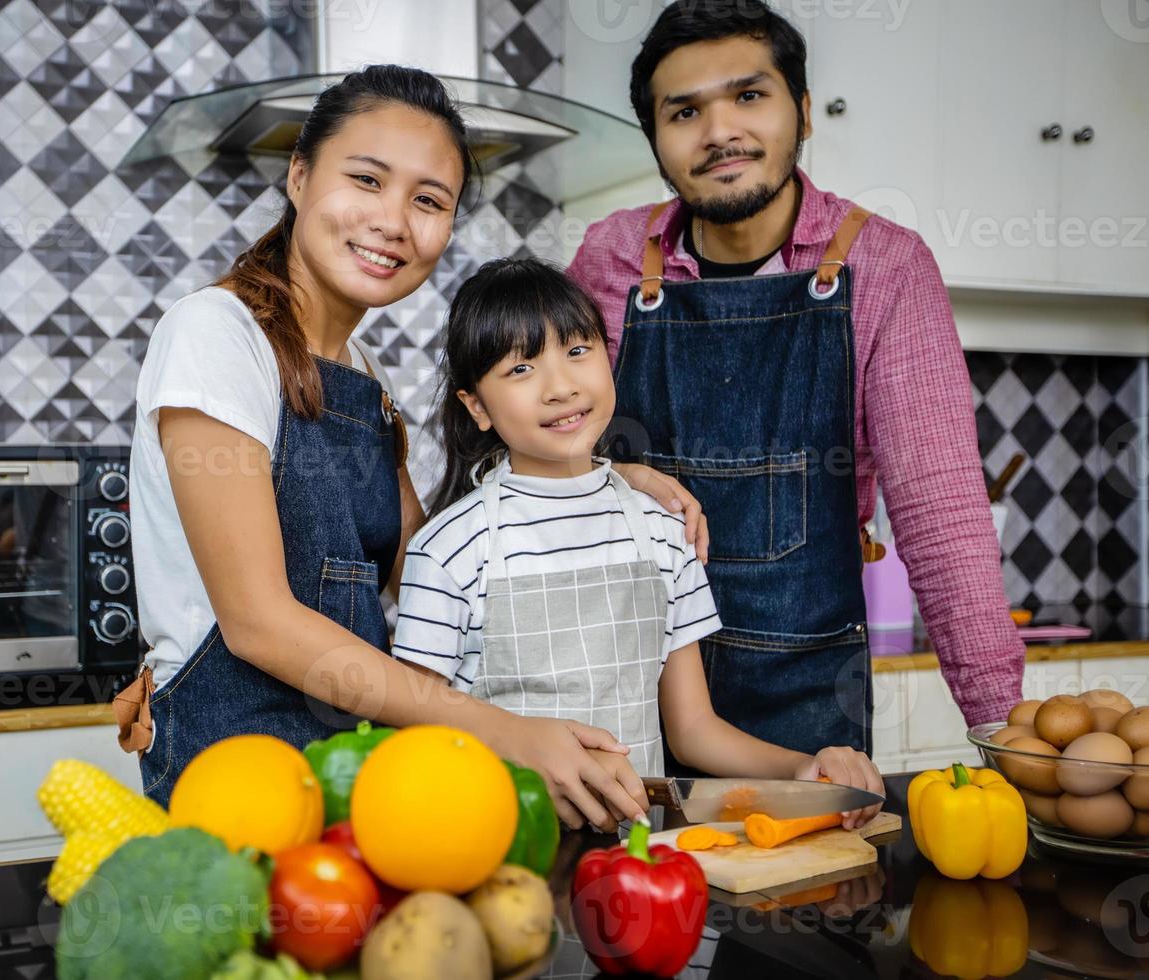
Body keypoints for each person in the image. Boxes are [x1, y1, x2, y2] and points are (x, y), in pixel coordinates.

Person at [118, 65, 706, 829]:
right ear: (299, 177)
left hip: (358, 774)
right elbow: (258, 621)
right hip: (237, 778)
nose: (395, 222)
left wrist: (593, 479)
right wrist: (503, 730)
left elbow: (428, 560)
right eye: (366, 180)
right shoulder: (215, 335)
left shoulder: (364, 375)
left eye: (428, 201)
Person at [566, 0, 1023, 773]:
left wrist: (1003, 731)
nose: (719, 133)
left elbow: (940, 512)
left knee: (805, 892)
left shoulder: (886, 267)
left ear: (803, 111)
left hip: (807, 700)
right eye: (684, 111)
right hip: (622, 686)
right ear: (656, 138)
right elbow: (534, 445)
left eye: (749, 96)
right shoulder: (609, 259)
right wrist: (611, 472)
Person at [393, 257, 883, 830]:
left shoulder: (661, 531)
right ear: (476, 406)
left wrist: (803, 769)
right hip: (492, 849)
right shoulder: (447, 549)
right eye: (521, 369)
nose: (562, 387)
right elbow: (414, 728)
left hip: (640, 858)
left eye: (578, 351)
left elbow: (693, 730)